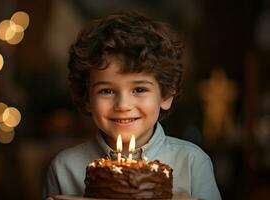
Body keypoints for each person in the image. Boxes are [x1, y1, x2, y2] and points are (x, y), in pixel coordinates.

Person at [43, 11, 222, 200]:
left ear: (167, 94)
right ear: (87, 98)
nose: (123, 105)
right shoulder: (64, 167)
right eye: (107, 91)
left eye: (139, 89)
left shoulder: (192, 162)